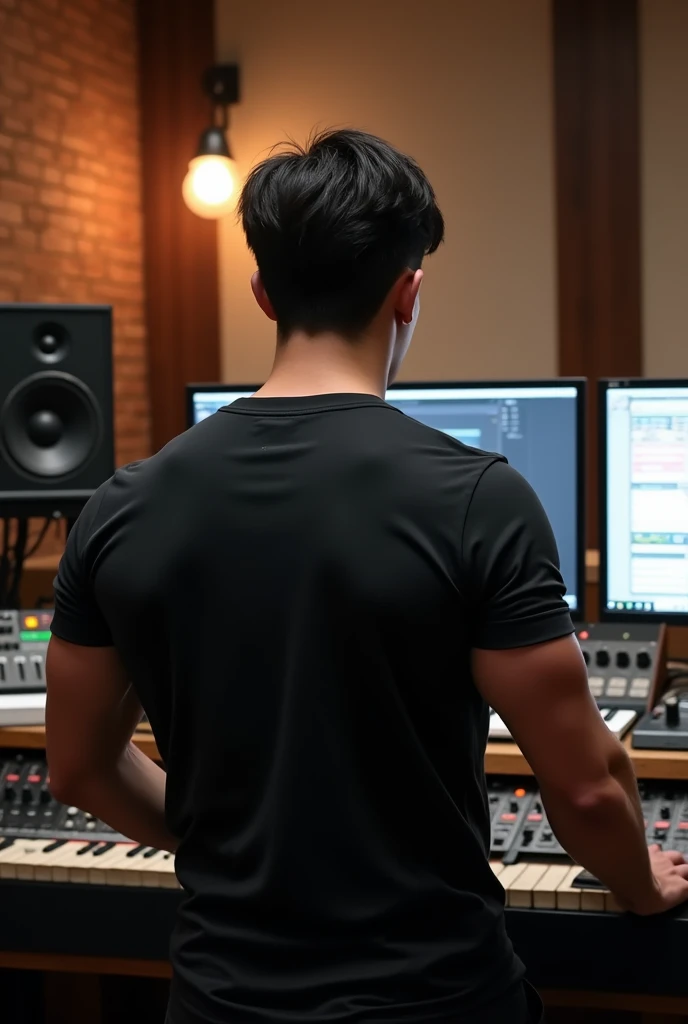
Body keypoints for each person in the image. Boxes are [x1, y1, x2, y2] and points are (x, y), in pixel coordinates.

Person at [46, 128, 688, 1024]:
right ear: (408, 293)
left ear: (264, 294)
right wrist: (642, 884)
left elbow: (78, 768)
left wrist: (232, 850)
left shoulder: (119, 508)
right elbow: (583, 785)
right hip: (437, 1001)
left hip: (221, 1004)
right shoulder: (480, 500)